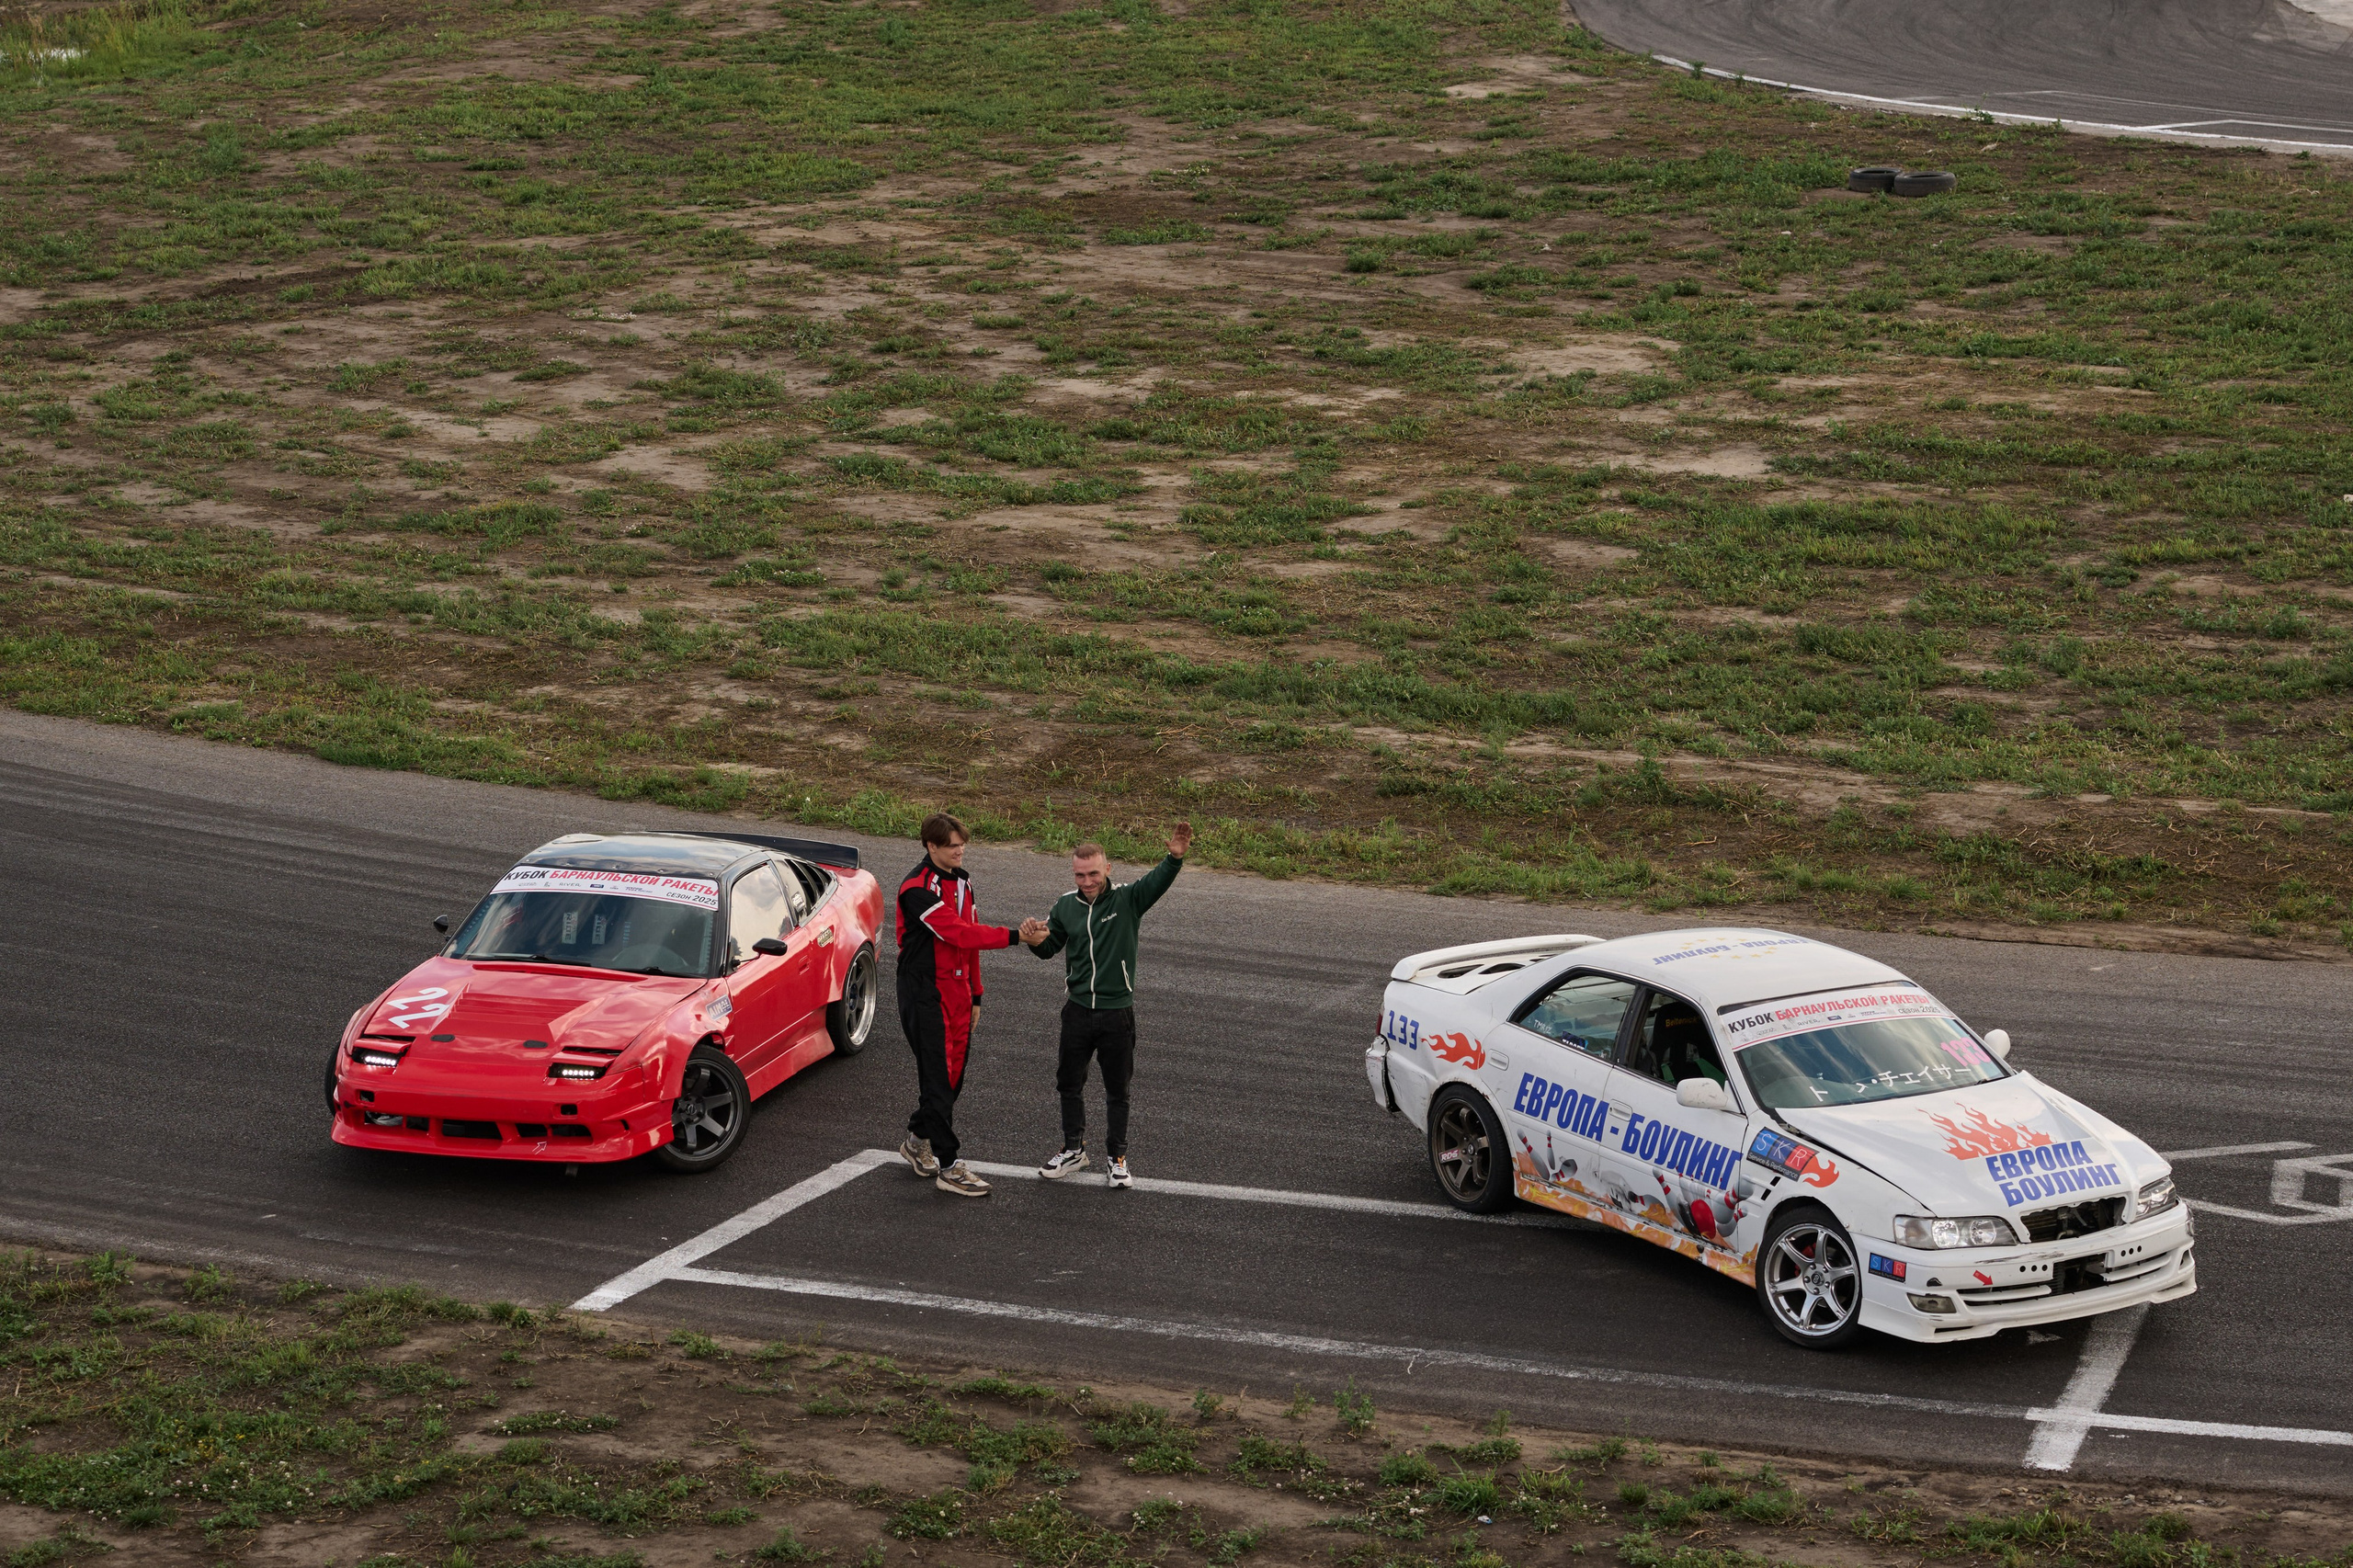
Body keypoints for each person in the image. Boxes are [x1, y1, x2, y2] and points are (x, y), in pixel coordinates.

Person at [1017, 822, 1190, 1188]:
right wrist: (1032, 940)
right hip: (1077, 1011)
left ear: (1107, 869)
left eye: (1093, 873)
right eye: (1080, 874)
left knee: (1117, 1090)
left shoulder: (1129, 899)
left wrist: (1174, 858)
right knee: (1068, 1082)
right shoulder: (1065, 906)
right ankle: (1073, 1149)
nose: (1087, 881)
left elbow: (1157, 881)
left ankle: (1117, 1158)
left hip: (1116, 1014)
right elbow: (1050, 950)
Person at [896, 812, 1019, 1198]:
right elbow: (961, 934)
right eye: (952, 845)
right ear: (931, 846)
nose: (960, 850)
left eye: (962, 843)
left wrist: (977, 994)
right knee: (936, 1078)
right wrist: (1017, 937)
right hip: (923, 992)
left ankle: (917, 1139)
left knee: (951, 1080)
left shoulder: (963, 882)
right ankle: (949, 1166)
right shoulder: (916, 889)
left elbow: (969, 949)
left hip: (959, 993)